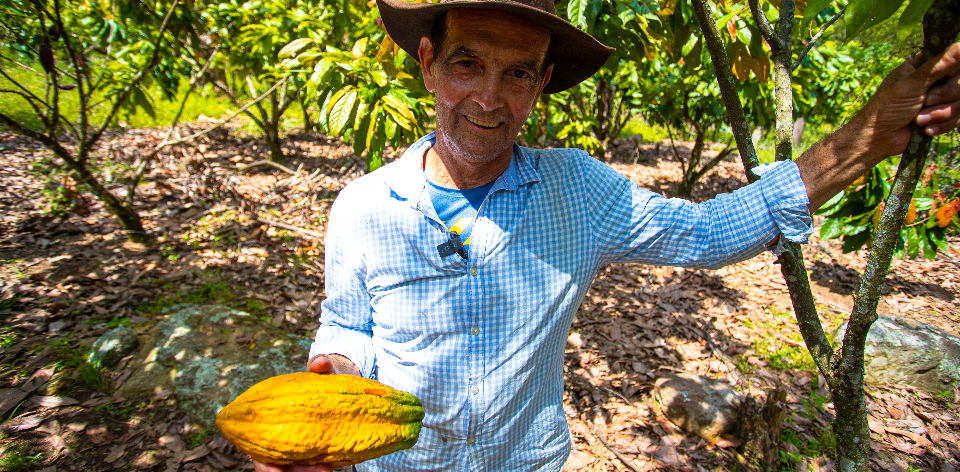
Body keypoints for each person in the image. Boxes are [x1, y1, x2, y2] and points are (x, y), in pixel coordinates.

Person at [253, 0, 960, 470]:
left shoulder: (578, 192)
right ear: (429, 62)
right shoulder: (362, 208)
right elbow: (347, 327)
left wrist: (872, 133)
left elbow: (711, 232)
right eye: (468, 64)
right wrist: (331, 379)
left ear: (543, 82)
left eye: (517, 73)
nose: (490, 98)